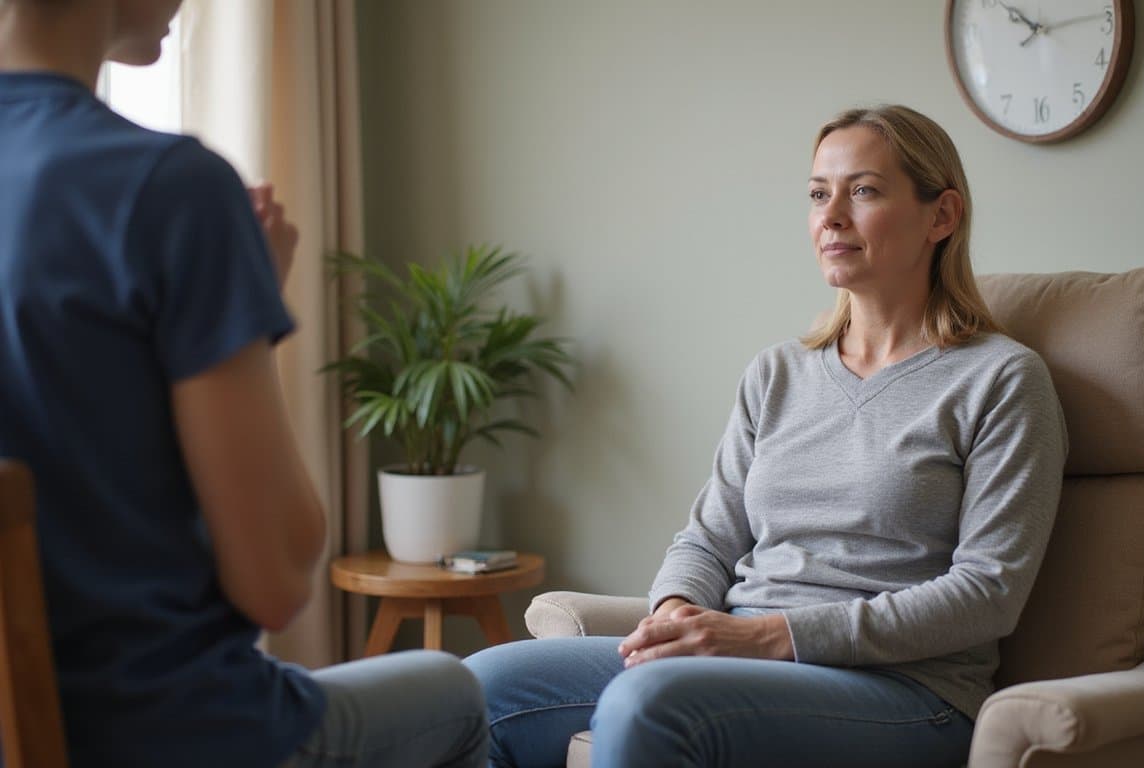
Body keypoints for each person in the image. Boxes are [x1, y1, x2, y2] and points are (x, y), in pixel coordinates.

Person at [465, 104, 1068, 768]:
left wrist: (767, 637)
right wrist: (675, 616)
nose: (830, 215)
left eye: (863, 190)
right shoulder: (778, 372)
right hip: (736, 657)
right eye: (818, 194)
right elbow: (707, 537)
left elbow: (987, 593)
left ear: (942, 216)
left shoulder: (1002, 379)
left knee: (653, 702)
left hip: (906, 690)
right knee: (485, 686)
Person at [0, 1, 486, 766]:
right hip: (172, 732)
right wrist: (249, 321)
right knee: (457, 695)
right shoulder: (168, 187)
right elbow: (277, 581)